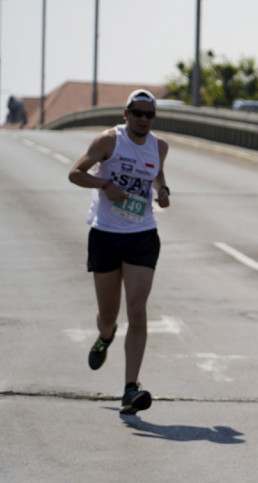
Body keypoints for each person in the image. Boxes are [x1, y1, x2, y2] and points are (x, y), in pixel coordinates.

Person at [68, 89, 171, 415]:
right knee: (109, 315)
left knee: (137, 309)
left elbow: (156, 176)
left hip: (142, 236)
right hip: (106, 235)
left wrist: (163, 190)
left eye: (148, 114)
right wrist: (104, 186)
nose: (143, 119)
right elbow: (75, 173)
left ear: (153, 118)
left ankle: (130, 389)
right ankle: (104, 336)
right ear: (126, 114)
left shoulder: (159, 146)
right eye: (136, 112)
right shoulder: (108, 141)